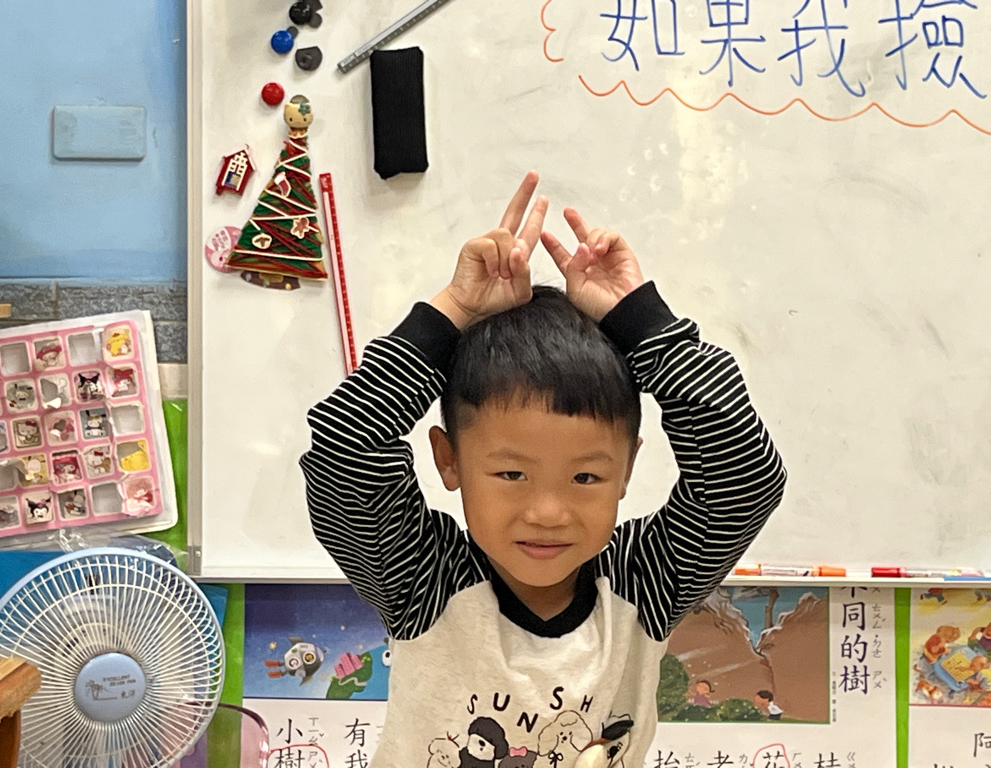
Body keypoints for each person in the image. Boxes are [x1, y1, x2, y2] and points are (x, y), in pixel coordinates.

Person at [301, 172, 787, 767]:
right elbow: (343, 450)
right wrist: (450, 314)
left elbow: (745, 478)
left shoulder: (643, 583)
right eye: (512, 475)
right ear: (449, 460)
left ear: (627, 467)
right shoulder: (424, 579)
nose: (548, 512)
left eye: (585, 478)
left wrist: (644, 324)